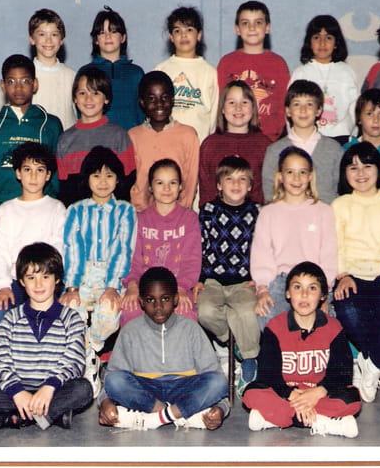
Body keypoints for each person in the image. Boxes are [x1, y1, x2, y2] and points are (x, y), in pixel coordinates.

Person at [0, 243, 93, 431]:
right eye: (31, 278)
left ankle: (13, 418)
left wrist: (49, 387)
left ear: (57, 279)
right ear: (21, 281)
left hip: (53, 390)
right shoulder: (11, 318)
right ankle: (48, 416)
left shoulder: (71, 318)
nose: (38, 284)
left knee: (83, 389)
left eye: (45, 277)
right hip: (16, 390)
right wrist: (17, 392)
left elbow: (74, 361)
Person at [0, 54, 63, 332]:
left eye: (25, 81)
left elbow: (56, 171)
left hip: (40, 208)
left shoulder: (50, 123)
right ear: (2, 85)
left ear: (35, 84)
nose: (18, 88)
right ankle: (2, 342)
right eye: (12, 82)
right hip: (0, 207)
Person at [98, 266, 229, 430]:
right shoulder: (130, 331)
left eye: (165, 299)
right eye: (150, 300)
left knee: (218, 382)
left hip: (183, 389)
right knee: (115, 381)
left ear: (176, 299)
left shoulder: (191, 328)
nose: (158, 306)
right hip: (146, 392)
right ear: (141, 301)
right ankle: (177, 414)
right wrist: (105, 402)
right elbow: (112, 378)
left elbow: (215, 380)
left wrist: (221, 409)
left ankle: (153, 418)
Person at [331, 142, 380, 403]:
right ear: (344, 173)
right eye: (353, 167)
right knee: (347, 309)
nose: (361, 173)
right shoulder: (340, 205)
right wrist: (342, 274)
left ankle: (372, 361)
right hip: (351, 274)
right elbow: (335, 244)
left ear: (379, 169)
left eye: (367, 166)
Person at [243, 262, 361, 437]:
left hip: (319, 395)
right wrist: (291, 395)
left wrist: (318, 393)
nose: (304, 295)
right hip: (286, 394)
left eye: (312, 288)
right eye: (297, 287)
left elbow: (342, 373)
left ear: (323, 295)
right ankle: (321, 420)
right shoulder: (275, 327)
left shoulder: (334, 327)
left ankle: (275, 417)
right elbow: (268, 374)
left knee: (353, 397)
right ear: (288, 293)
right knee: (251, 392)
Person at [59, 147, 137, 398]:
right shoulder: (76, 210)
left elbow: (123, 250)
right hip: (81, 275)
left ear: (118, 179)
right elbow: (72, 249)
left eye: (109, 175)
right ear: (87, 179)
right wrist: (72, 287)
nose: (103, 182)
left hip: (111, 276)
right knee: (71, 309)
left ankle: (90, 351)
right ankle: (84, 363)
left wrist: (112, 287)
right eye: (96, 175)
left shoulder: (125, 210)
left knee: (108, 310)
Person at [251, 146, 337, 330]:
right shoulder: (268, 212)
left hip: (315, 281)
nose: (296, 178)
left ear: (310, 176)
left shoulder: (323, 211)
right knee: (268, 318)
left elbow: (329, 256)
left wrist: (325, 293)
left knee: (320, 324)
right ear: (280, 177)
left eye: (302, 172)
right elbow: (262, 255)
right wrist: (263, 289)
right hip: (281, 281)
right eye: (290, 172)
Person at [196, 156, 261, 395]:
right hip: (213, 280)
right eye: (229, 179)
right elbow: (201, 247)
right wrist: (199, 279)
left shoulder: (257, 213)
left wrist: (260, 277)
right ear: (219, 185)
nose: (236, 184)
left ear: (250, 186)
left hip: (244, 281)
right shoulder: (208, 211)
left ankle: (250, 360)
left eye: (242, 179)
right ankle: (232, 342)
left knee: (247, 312)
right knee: (205, 311)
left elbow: (264, 248)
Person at [0, 142, 66, 333]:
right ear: (18, 173)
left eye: (40, 170)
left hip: (47, 281)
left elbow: (59, 248)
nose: (33, 176)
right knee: (1, 308)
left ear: (48, 175)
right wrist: (2, 286)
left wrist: (46, 279)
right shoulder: (6, 210)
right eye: (27, 169)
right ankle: (5, 352)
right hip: (16, 283)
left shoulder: (56, 208)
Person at [120, 159, 201, 326]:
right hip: (145, 288)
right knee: (130, 310)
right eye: (160, 183)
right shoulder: (140, 219)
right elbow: (133, 259)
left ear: (180, 187)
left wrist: (181, 288)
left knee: (185, 312)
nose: (166, 188)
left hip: (176, 287)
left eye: (173, 183)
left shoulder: (189, 219)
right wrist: (133, 286)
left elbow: (192, 261)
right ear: (150, 187)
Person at [55, 66, 135, 206]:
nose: (88, 99)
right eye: (82, 93)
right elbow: (63, 188)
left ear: (106, 99)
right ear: (75, 98)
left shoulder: (119, 136)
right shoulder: (65, 140)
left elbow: (127, 183)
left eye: (96, 93)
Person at [217, 0, 290, 142]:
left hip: (269, 139)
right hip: (234, 137)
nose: (252, 28)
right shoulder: (226, 63)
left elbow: (283, 104)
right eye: (245, 23)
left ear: (267, 28)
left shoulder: (278, 64)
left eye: (258, 22)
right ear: (237, 29)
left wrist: (275, 135)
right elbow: (221, 102)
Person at [261, 80, 344, 204]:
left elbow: (341, 191)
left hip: (326, 213)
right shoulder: (274, 151)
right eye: (297, 104)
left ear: (319, 110)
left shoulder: (334, 149)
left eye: (309, 104)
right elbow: (270, 194)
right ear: (288, 111)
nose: (303, 110)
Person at [128, 71, 200, 211]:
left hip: (176, 214)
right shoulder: (133, 136)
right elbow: (130, 181)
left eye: (165, 97)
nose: (159, 104)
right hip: (140, 213)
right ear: (142, 102)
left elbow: (191, 180)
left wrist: (182, 211)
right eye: (152, 99)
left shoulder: (188, 135)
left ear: (172, 100)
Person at [288, 14, 358, 144]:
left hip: (341, 137)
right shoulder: (301, 72)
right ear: (309, 43)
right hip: (308, 136)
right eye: (316, 38)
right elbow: (290, 107)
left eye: (328, 38)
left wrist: (350, 135)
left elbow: (355, 108)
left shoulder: (346, 72)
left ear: (336, 43)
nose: (322, 43)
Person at [198, 80, 270, 206]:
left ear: (253, 108)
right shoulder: (210, 144)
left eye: (244, 102)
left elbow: (269, 190)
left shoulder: (265, 145)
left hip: (256, 215)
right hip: (217, 216)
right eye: (232, 102)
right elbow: (206, 189)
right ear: (222, 108)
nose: (238, 108)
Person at [154, 6, 219, 142]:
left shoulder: (210, 72)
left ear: (199, 35)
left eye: (189, 30)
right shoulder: (160, 70)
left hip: (199, 144)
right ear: (171, 37)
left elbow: (214, 117)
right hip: (166, 143)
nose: (183, 35)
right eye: (177, 31)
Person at [78, 6, 144, 131]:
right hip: (96, 138)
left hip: (130, 139)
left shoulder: (136, 73)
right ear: (96, 40)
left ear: (123, 38)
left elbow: (142, 114)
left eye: (113, 32)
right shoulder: (85, 73)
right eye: (102, 33)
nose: (108, 37)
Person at [27, 8, 77, 129]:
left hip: (66, 139)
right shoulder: (25, 76)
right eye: (42, 34)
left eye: (54, 34)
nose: (48, 40)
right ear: (32, 39)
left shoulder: (72, 76)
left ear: (62, 40)